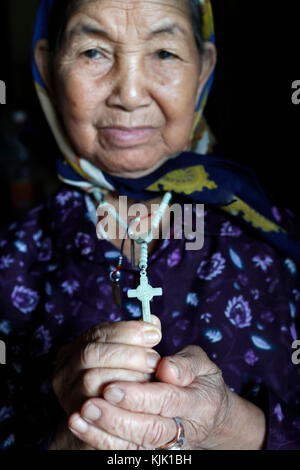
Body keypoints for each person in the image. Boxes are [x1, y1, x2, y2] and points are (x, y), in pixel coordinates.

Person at [0, 0, 299, 450]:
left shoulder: (273, 242)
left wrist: (229, 427)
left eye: (163, 53)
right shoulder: (12, 260)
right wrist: (69, 441)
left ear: (203, 69)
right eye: (93, 52)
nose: (131, 93)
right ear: (47, 65)